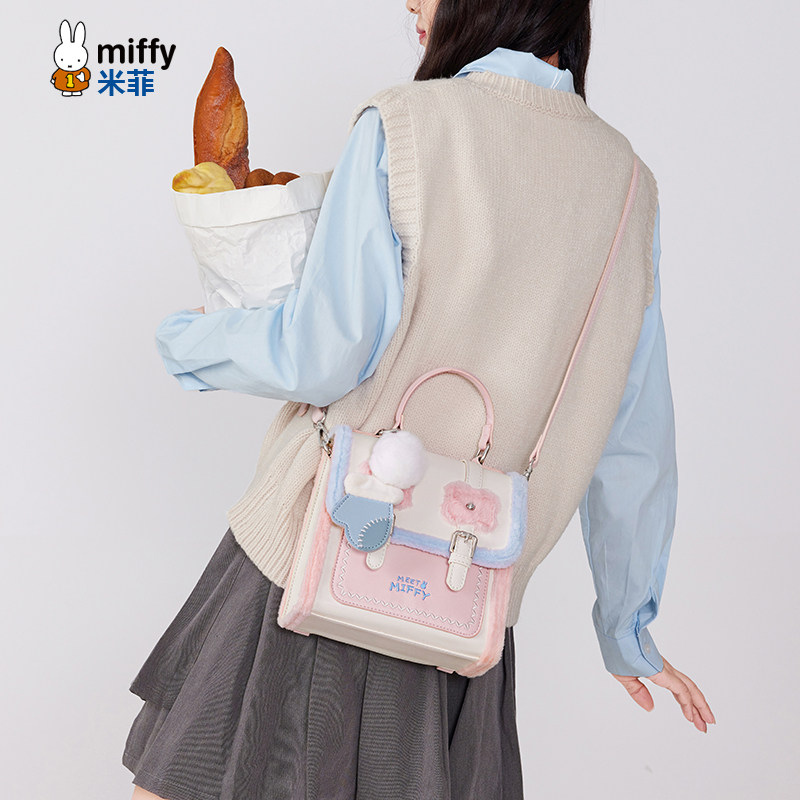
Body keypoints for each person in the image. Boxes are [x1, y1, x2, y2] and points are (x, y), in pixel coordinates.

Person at [124, 1, 715, 798]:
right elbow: (635, 438)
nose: (410, 2)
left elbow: (324, 352)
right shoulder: (629, 187)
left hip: (314, 562)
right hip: (463, 605)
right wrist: (626, 626)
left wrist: (190, 341)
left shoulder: (404, 125)